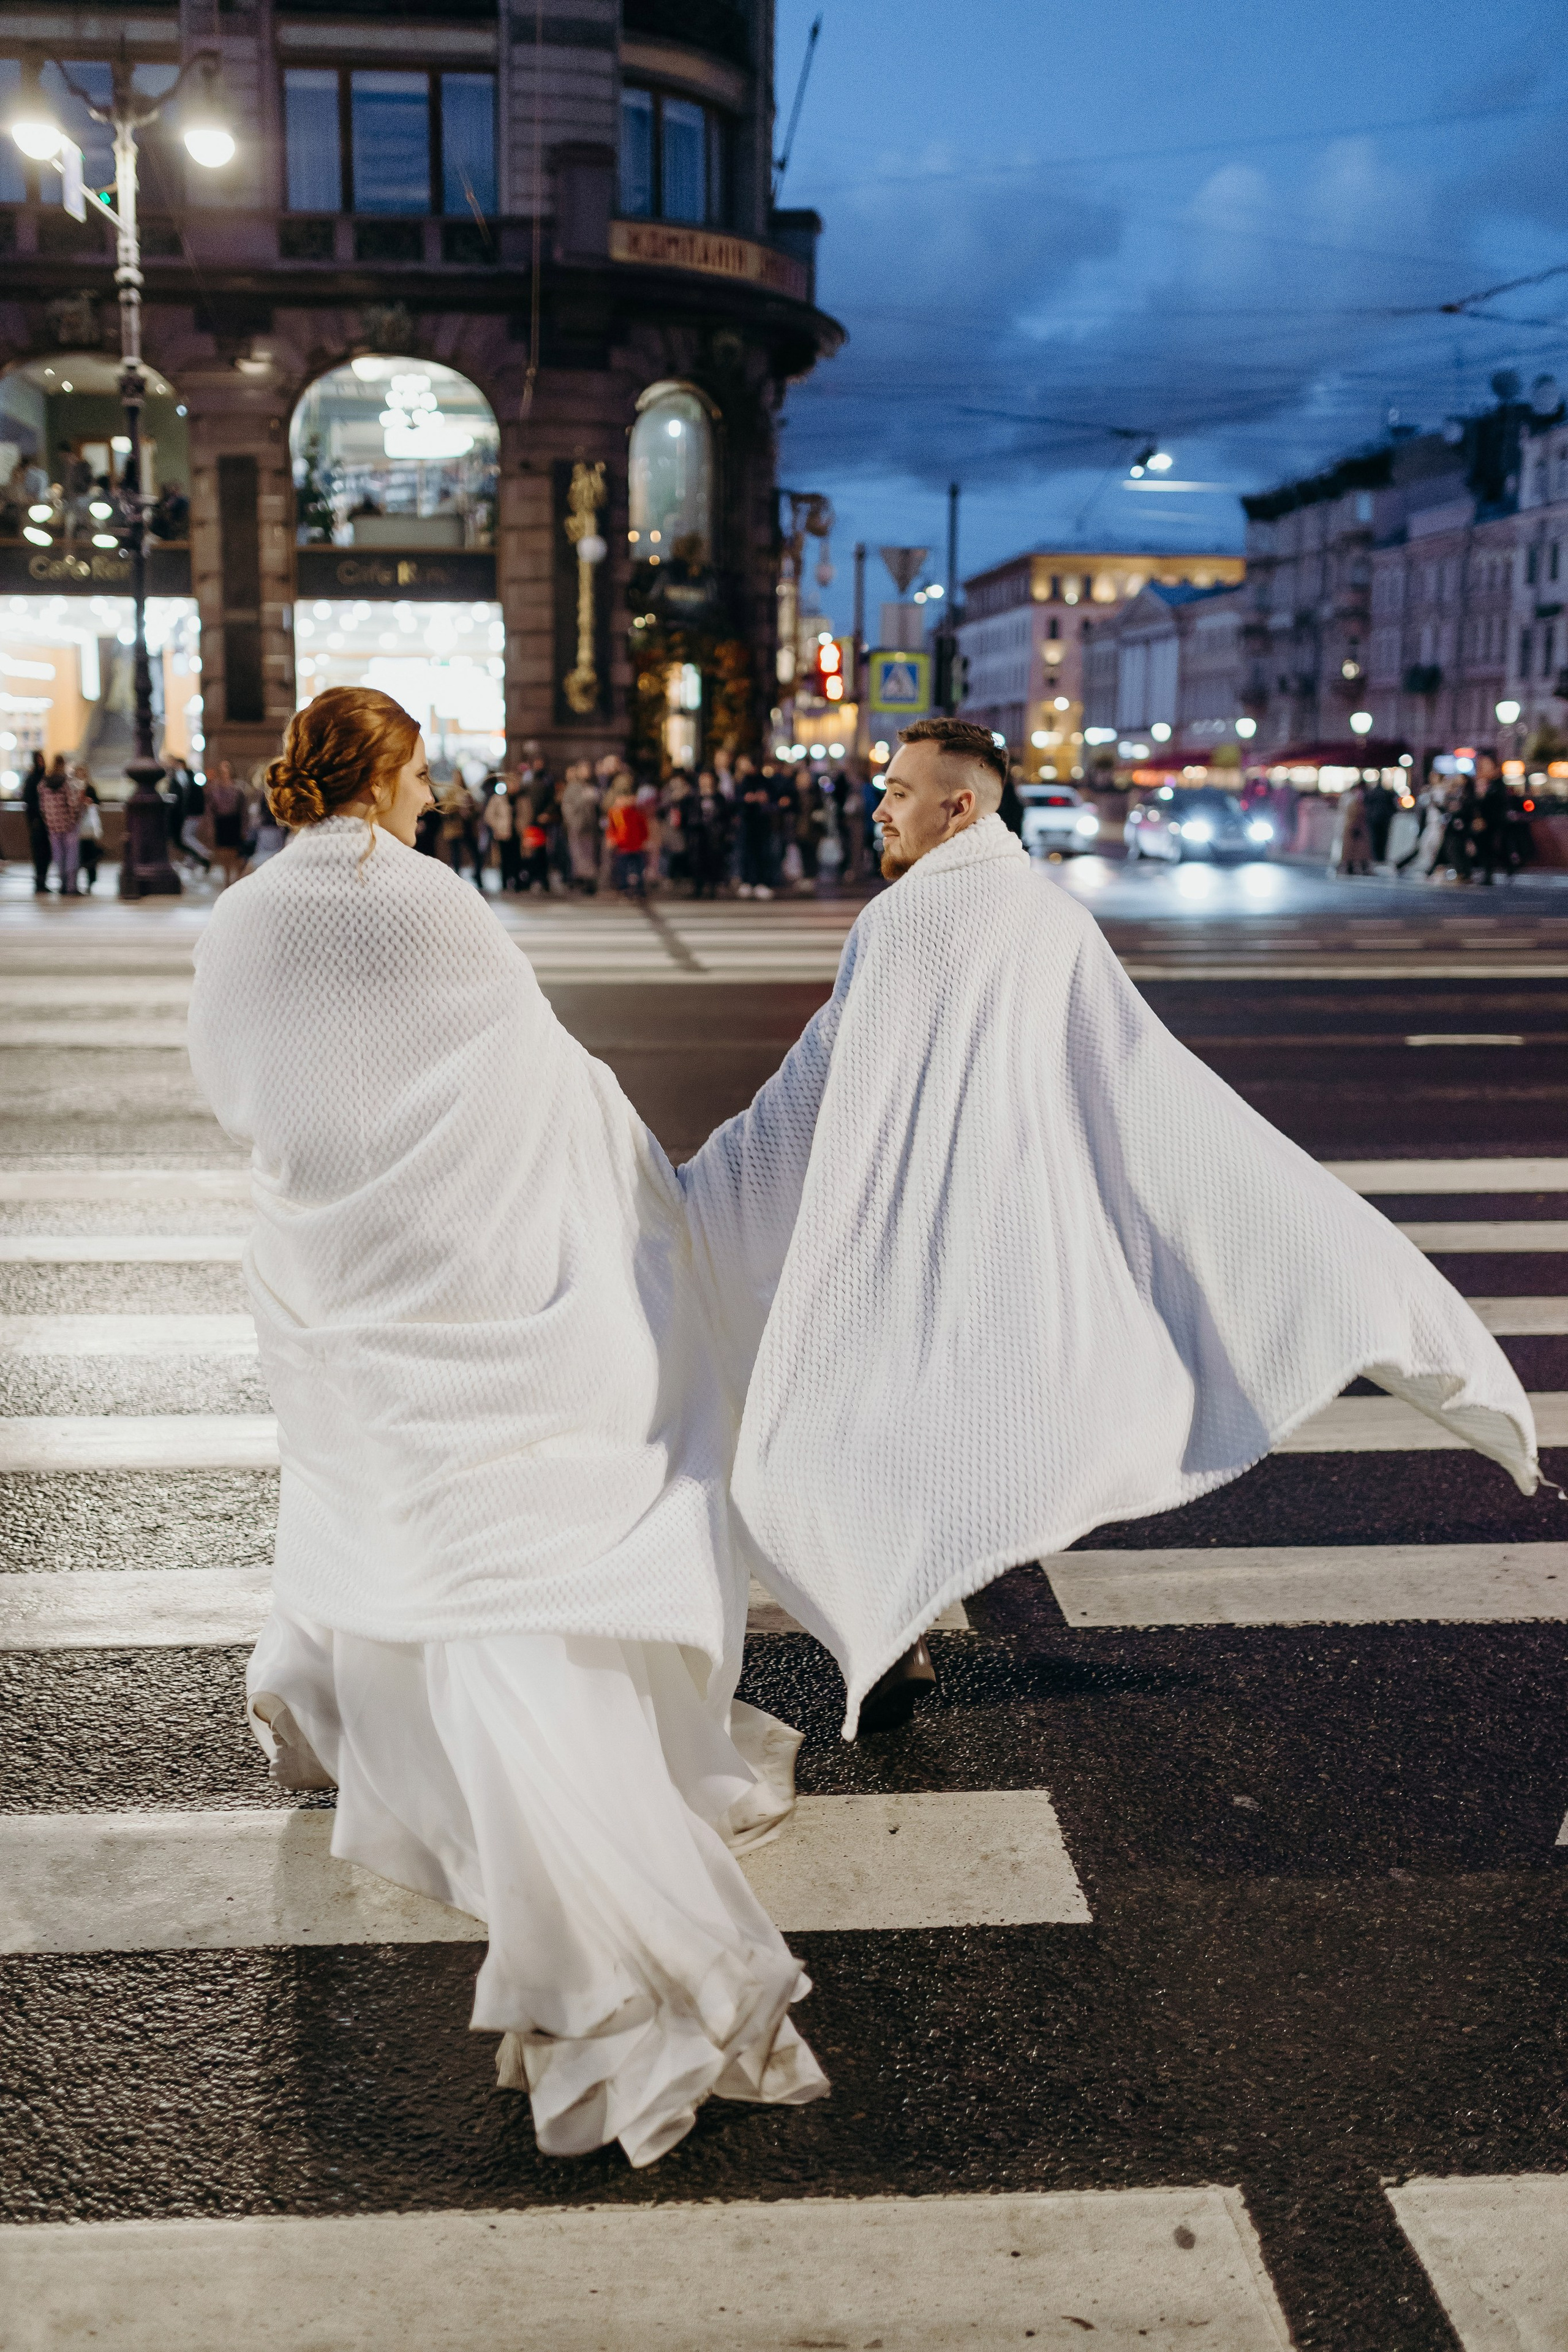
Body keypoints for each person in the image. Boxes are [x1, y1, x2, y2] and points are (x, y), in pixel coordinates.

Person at [187, 686, 826, 2166]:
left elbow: (242, 1092)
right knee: (502, 1546)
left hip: (332, 1275)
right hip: (460, 1280)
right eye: (421, 773)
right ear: (389, 772)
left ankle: (342, 1705)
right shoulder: (426, 904)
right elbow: (532, 1084)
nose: (433, 797)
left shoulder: (243, 914)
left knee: (375, 1501)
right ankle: (603, 1918)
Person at [679, 716, 1539, 1738]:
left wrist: (717, 1179)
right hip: (1012, 1223)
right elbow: (1133, 1074)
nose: (880, 805)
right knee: (935, 1420)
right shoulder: (1050, 918)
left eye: (902, 792)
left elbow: (828, 1083)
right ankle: (896, 1619)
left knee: (853, 1416)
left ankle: (887, 1623)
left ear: (963, 808)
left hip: (904, 1224)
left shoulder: (905, 920)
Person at [38, 753, 85, 895]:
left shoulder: (43, 783)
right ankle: (71, 886)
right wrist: (74, 819)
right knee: (72, 856)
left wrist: (49, 821)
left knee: (58, 856)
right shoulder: (66, 782)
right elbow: (72, 804)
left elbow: (42, 806)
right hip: (68, 825)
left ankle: (62, 885)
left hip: (53, 826)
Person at [205, 758, 249, 889]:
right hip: (221, 822)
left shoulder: (238, 789)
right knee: (223, 851)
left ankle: (235, 877)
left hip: (234, 821)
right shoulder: (215, 790)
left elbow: (243, 810)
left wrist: (244, 828)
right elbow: (210, 810)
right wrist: (210, 827)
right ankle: (227, 876)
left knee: (234, 851)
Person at [604, 776, 649, 896]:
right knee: (622, 868)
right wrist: (611, 839)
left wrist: (645, 840)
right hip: (622, 845)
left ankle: (639, 887)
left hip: (636, 844)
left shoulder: (637, 812)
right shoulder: (615, 812)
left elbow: (643, 828)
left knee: (638, 868)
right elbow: (611, 828)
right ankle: (623, 886)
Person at [560, 762, 600, 894]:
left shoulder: (591, 786)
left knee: (589, 855)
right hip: (578, 826)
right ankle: (581, 881)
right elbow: (568, 807)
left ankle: (588, 881)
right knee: (579, 854)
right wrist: (573, 822)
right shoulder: (573, 788)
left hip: (590, 827)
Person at [21, 750, 49, 895]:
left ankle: (43, 881)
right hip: (37, 822)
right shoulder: (32, 779)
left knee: (46, 853)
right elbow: (28, 800)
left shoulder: (44, 778)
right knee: (39, 853)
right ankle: (40, 882)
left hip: (47, 822)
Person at [1335, 780, 1373, 876]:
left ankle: (1350, 866)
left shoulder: (1346, 797)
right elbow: (1357, 812)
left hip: (1348, 825)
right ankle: (1354, 867)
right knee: (1358, 849)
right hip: (1354, 825)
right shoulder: (1355, 798)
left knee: (1351, 848)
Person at [75, 771, 103, 892]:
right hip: (79, 831)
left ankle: (90, 881)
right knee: (79, 858)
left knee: (90, 858)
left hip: (88, 831)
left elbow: (98, 802)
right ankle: (76, 883)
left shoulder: (90, 788)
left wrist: (90, 803)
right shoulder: (73, 788)